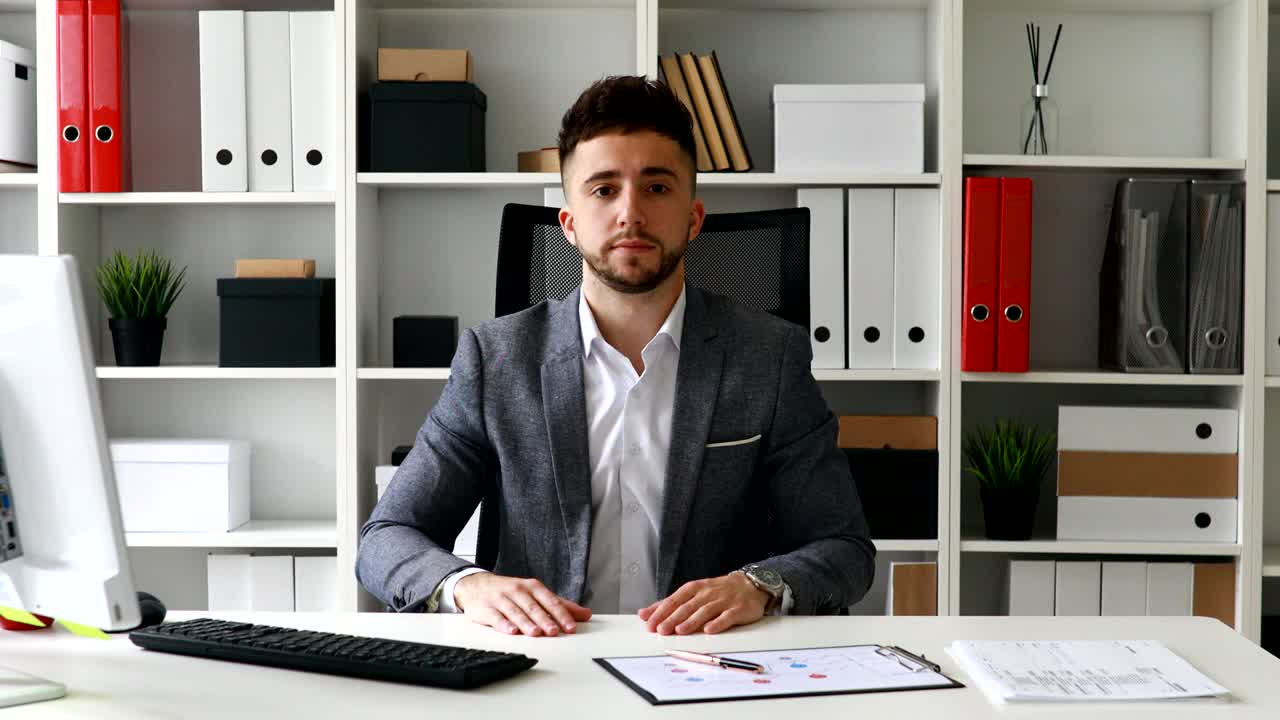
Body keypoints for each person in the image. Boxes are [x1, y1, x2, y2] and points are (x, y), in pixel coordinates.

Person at [356, 75, 875, 638]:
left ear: (694, 217)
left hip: (707, 661)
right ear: (570, 224)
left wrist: (758, 586)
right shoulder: (496, 360)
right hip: (546, 659)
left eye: (657, 187)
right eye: (604, 189)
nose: (631, 212)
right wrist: (469, 585)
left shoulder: (768, 357)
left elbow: (844, 547)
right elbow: (387, 538)